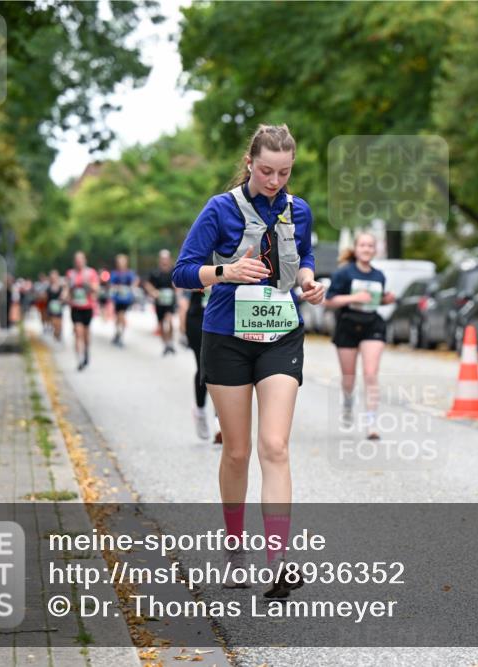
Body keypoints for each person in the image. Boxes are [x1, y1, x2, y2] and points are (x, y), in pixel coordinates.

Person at [172, 123, 324, 598]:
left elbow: (304, 255)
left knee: (274, 446)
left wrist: (309, 281)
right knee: (237, 451)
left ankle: (279, 561)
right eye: (266, 171)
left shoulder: (299, 210)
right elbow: (181, 272)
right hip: (227, 337)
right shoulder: (219, 210)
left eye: (283, 172)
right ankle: (235, 551)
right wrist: (225, 271)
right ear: (249, 164)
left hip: (281, 335)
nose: (275, 181)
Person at [324, 233, 396, 440]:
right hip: (347, 324)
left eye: (370, 246)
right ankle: (348, 401)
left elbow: (374, 301)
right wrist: (354, 297)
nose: (366, 249)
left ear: (374, 250)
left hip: (371, 324)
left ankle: (371, 423)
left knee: (371, 373)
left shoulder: (379, 275)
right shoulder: (344, 273)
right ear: (356, 249)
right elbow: (328, 301)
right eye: (362, 245)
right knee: (349, 378)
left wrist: (386, 300)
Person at [184, 286, 218, 442]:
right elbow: (183, 280)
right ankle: (200, 410)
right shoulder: (202, 261)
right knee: (204, 366)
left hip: (223, 316)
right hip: (198, 318)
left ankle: (220, 421)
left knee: (224, 370)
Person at [65, 251, 99, 371]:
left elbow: (96, 289)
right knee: (78, 332)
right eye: (77, 260)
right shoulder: (70, 274)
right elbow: (67, 289)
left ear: (85, 260)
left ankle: (86, 351)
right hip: (75, 308)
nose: (79, 262)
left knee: (86, 334)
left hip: (87, 307)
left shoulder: (91, 273)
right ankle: (79, 359)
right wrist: (64, 297)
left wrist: (87, 284)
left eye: (81, 260)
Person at [146, 250, 179, 356]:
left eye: (166, 258)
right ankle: (165, 344)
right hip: (159, 301)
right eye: (163, 259)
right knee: (160, 325)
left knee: (169, 320)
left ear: (169, 259)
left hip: (170, 301)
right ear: (160, 260)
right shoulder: (155, 272)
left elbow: (179, 283)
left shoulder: (174, 271)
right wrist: (153, 291)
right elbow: (147, 284)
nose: (164, 261)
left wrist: (177, 288)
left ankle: (170, 343)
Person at [110, 254, 138, 347]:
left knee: (121, 315)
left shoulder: (129, 273)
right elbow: (111, 284)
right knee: (118, 317)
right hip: (117, 299)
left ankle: (120, 334)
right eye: (119, 262)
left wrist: (132, 286)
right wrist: (117, 288)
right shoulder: (115, 273)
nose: (121, 264)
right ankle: (118, 333)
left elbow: (135, 281)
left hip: (126, 299)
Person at [46, 270, 65, 342]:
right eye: (52, 277)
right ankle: (56, 332)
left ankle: (59, 333)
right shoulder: (48, 287)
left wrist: (62, 299)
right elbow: (46, 297)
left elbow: (64, 295)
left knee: (59, 322)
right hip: (51, 307)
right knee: (53, 322)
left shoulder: (61, 286)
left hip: (59, 307)